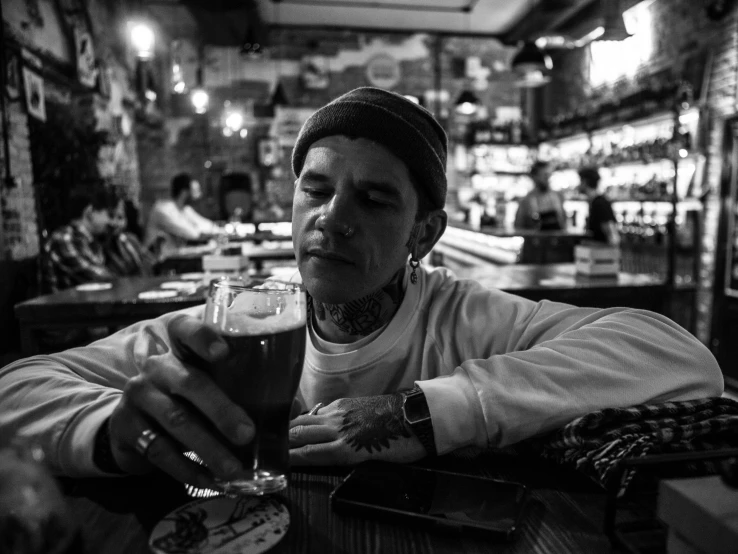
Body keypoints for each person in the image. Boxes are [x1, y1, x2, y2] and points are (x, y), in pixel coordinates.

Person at [0, 88, 722, 488]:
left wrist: (418, 415)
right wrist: (112, 434)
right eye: (314, 189)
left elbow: (679, 355)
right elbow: (17, 384)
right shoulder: (248, 320)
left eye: (374, 200)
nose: (332, 219)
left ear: (424, 233)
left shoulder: (464, 318)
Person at [42, 187, 117, 293]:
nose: (111, 222)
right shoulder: (65, 239)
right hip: (62, 307)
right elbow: (99, 278)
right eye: (109, 215)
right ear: (90, 212)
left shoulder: (89, 241)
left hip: (81, 305)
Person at [143, 173, 219, 258]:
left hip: (173, 256)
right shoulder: (163, 209)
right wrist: (201, 230)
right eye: (195, 191)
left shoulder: (184, 209)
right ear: (184, 192)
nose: (199, 196)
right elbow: (193, 234)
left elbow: (210, 226)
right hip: (157, 262)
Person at [104, 195, 154, 277]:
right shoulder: (102, 245)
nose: (115, 223)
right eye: (111, 216)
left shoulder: (130, 239)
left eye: (120, 218)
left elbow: (146, 264)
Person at [514, 161, 567, 231]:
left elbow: (564, 224)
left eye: (549, 175)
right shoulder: (526, 200)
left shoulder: (558, 196)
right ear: (534, 177)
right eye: (545, 175)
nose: (548, 179)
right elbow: (518, 227)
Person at [578, 166, 620, 246]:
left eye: (580, 181)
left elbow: (612, 235)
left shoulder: (599, 203)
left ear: (585, 182)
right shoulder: (595, 202)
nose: (578, 185)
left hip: (602, 255)